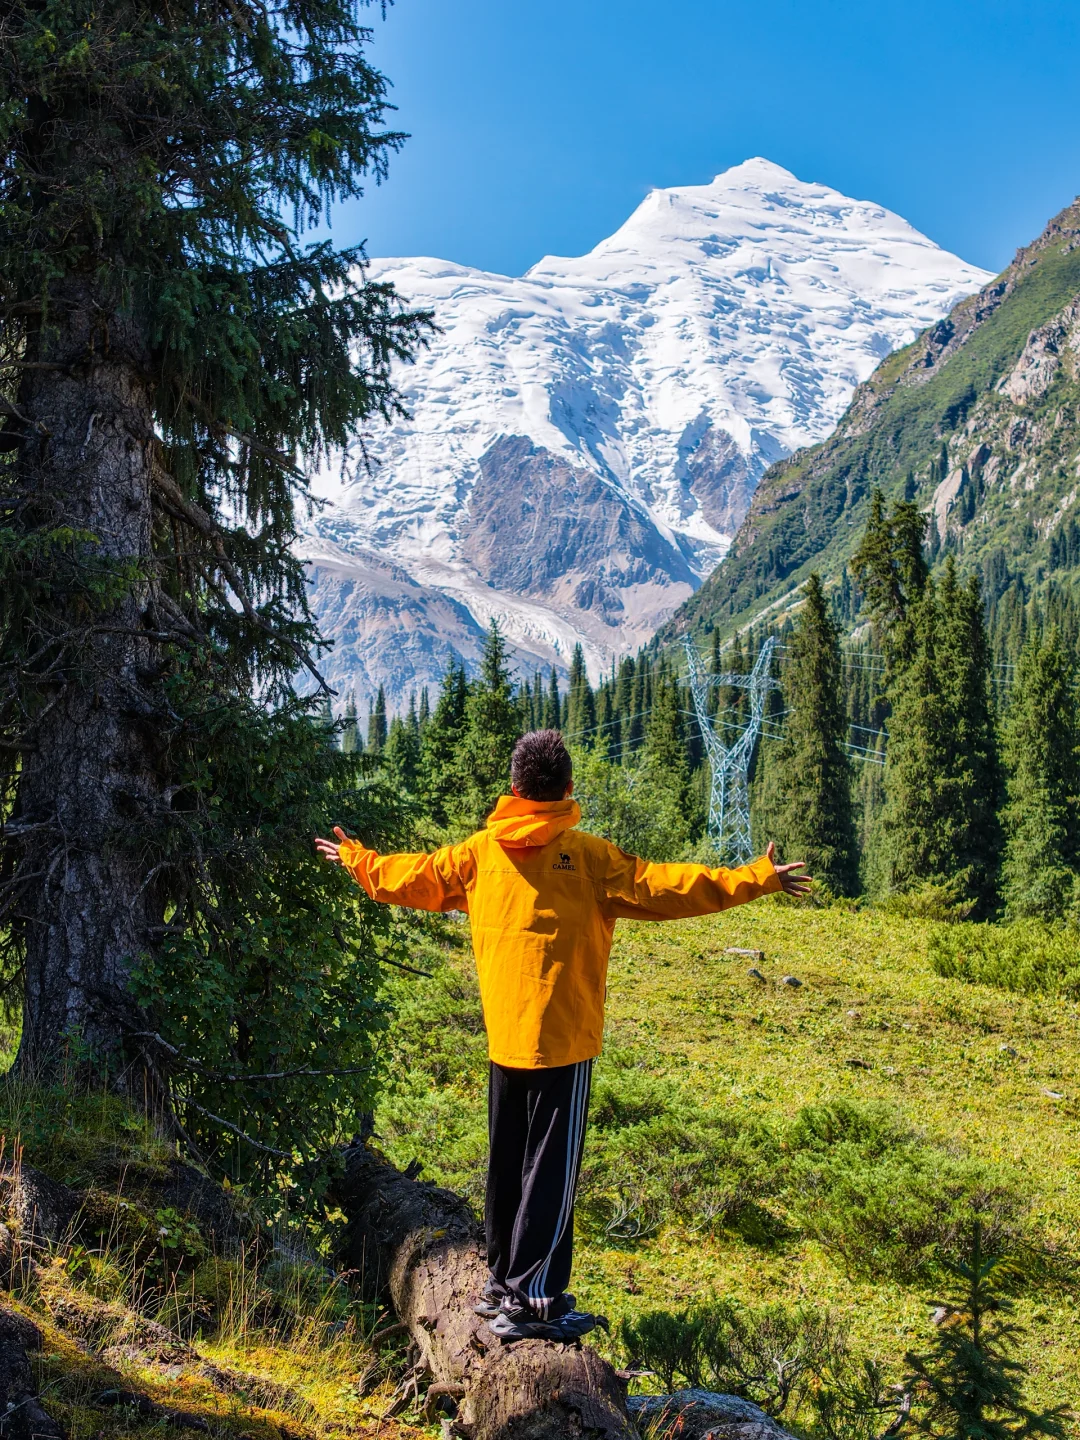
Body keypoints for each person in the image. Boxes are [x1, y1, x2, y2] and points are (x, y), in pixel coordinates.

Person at [316, 728, 810, 1343]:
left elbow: (413, 876)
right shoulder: (591, 858)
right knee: (550, 1174)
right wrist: (756, 877)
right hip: (565, 1043)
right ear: (567, 790)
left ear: (515, 789)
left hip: (506, 1039)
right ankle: (534, 1302)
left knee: (508, 1166)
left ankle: (503, 1284)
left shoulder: (478, 855)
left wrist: (360, 860)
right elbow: (672, 886)